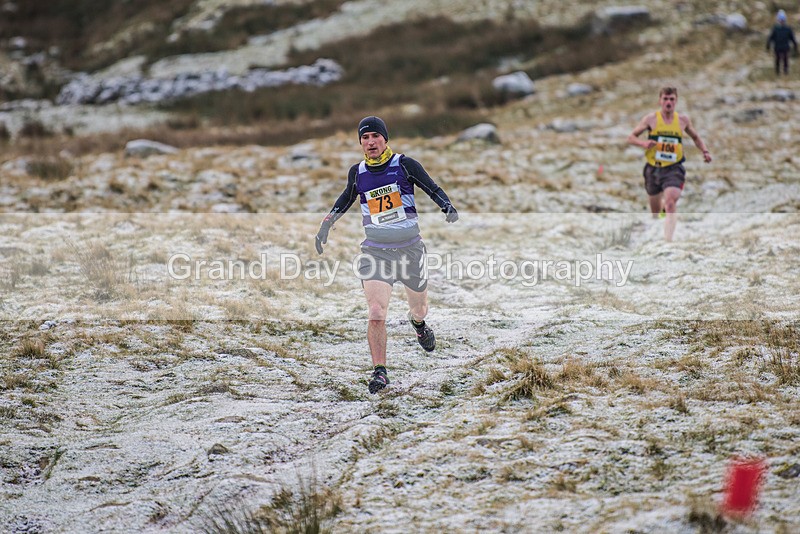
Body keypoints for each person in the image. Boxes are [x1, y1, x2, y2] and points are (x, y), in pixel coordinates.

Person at [315, 116, 458, 393]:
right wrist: (326, 225)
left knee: (419, 308)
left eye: (375, 137)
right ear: (360, 143)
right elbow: (345, 199)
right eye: (364, 138)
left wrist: (446, 206)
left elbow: (432, 187)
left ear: (385, 139)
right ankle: (379, 372)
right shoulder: (358, 172)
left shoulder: (404, 164)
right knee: (376, 312)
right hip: (375, 251)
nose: (370, 142)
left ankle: (418, 325)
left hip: (410, 249)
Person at [626, 87, 712, 242]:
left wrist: (705, 151)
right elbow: (631, 137)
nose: (668, 102)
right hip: (653, 168)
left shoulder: (682, 120)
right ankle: (657, 226)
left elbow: (696, 137)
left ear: (676, 101)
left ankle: (668, 242)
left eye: (672, 99)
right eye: (665, 99)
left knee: (671, 202)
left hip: (674, 168)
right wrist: (643, 143)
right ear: (660, 101)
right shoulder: (651, 119)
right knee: (655, 213)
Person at [767, 10, 798, 75]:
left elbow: (792, 38)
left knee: (785, 60)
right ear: (778, 20)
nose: (782, 21)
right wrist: (768, 45)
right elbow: (771, 38)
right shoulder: (775, 28)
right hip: (777, 47)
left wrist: (795, 45)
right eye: (780, 20)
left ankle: (785, 71)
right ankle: (777, 72)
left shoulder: (788, 29)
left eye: (783, 20)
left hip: (785, 47)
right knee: (777, 59)